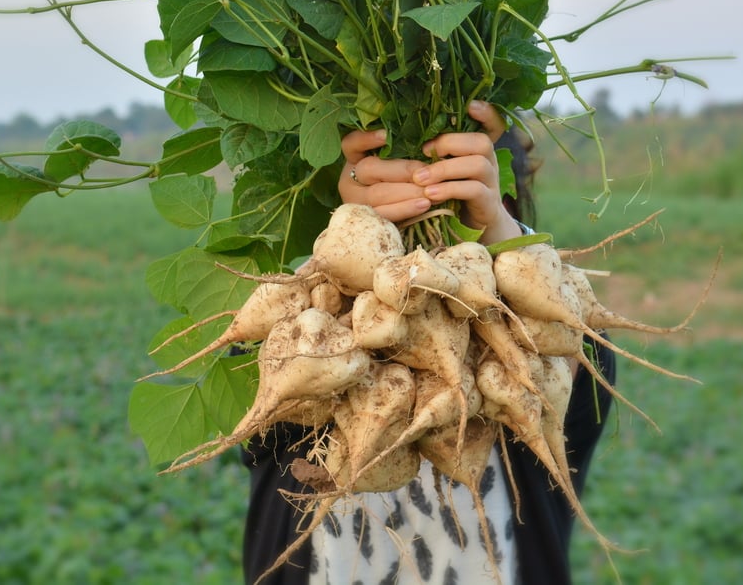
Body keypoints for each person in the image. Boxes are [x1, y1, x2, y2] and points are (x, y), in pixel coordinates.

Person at [241, 100, 616, 585]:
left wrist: (506, 240)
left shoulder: (528, 355)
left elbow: (583, 367)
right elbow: (256, 385)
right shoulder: (318, 324)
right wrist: (348, 235)